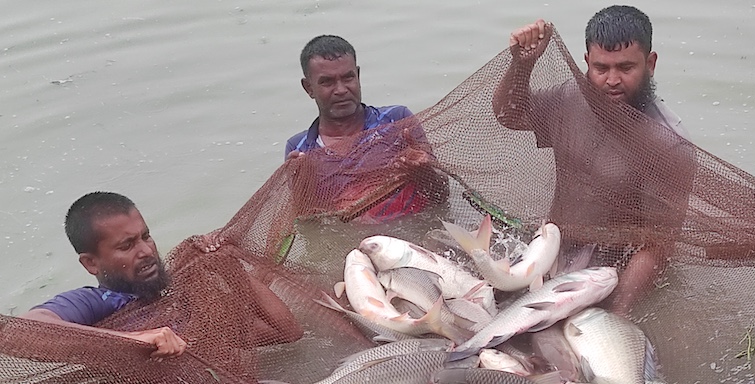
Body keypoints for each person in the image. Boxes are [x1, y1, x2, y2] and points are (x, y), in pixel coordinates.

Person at [493, 6, 694, 313]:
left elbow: (658, 246)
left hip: (612, 272)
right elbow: (510, 115)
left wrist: (619, 309)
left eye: (626, 68)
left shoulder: (668, 144)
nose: (612, 80)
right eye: (601, 68)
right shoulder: (569, 99)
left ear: (650, 64)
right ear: (586, 63)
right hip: (553, 248)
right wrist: (522, 65)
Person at [22, 192, 301, 357]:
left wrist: (227, 264)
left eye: (146, 237)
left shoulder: (180, 291)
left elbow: (286, 333)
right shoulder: (100, 303)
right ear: (91, 264)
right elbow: (28, 330)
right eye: (127, 245)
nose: (146, 251)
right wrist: (138, 338)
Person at [285, 34, 448, 221]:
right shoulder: (300, 150)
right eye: (327, 82)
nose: (341, 89)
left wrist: (424, 171)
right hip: (354, 246)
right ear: (309, 88)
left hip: (412, 237)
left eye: (348, 77)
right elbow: (310, 227)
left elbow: (442, 196)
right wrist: (302, 190)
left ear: (358, 76)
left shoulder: (396, 121)